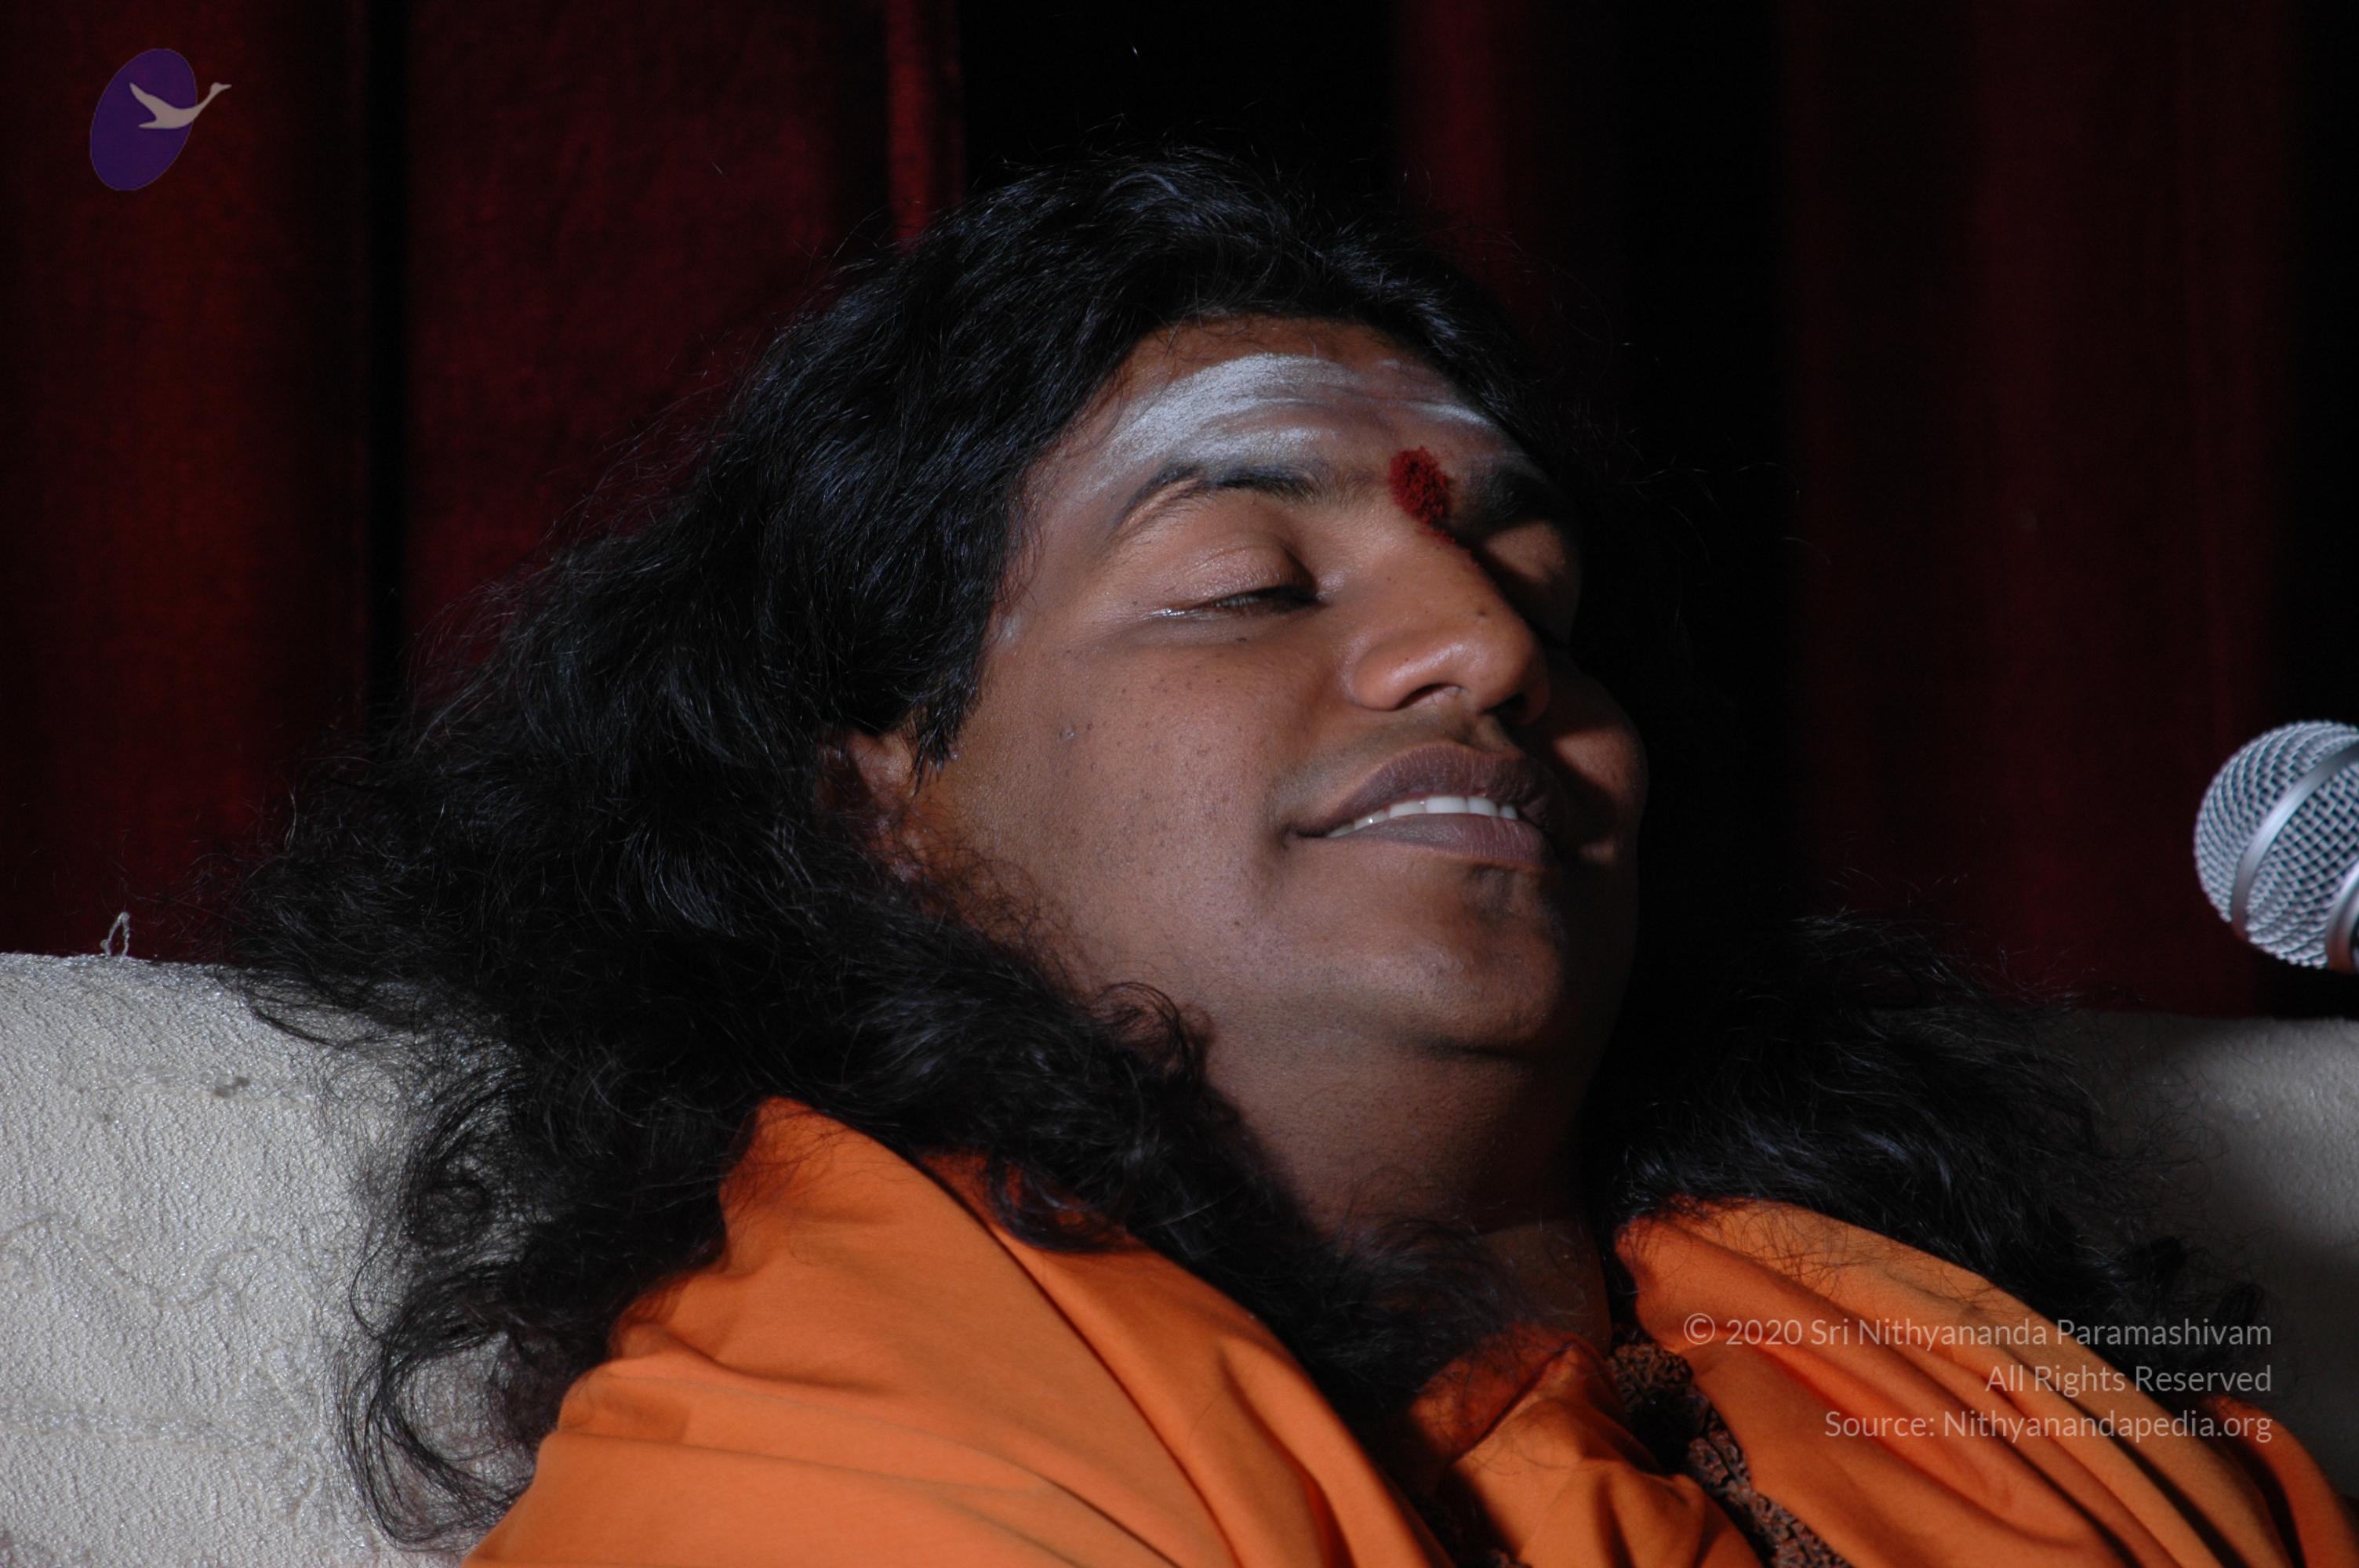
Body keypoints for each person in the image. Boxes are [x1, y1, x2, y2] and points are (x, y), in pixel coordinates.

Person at [223, 150, 2357, 1566]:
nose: (1487, 646)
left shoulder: (1956, 1377)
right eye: (1250, 579)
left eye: (1547, 593)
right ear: (882, 809)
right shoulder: (816, 1447)